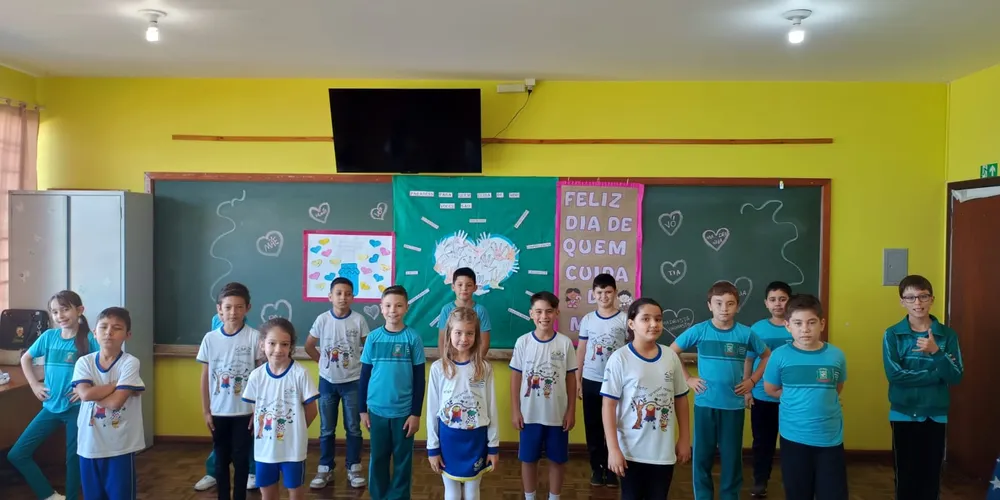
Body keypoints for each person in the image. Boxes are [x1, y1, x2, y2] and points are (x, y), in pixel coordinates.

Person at [670, 281, 770, 500]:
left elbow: (767, 356)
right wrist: (688, 379)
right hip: (705, 404)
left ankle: (729, 496)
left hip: (733, 406)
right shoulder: (700, 330)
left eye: (730, 303)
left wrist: (752, 381)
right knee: (702, 457)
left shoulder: (745, 334)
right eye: (719, 303)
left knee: (732, 458)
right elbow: (672, 352)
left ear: (738, 306)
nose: (724, 308)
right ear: (709, 305)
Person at [9, 291, 99, 500]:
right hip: (50, 407)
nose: (60, 316)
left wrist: (86, 388)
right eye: (55, 311)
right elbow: (26, 359)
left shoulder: (88, 339)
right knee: (18, 454)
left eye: (65, 309)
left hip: (77, 409)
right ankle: (49, 496)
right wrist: (34, 384)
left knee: (73, 461)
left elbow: (103, 366)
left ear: (79, 310)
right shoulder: (49, 337)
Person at [882, 275, 963, 500]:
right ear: (902, 302)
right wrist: (936, 375)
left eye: (922, 296)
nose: (917, 302)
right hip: (903, 412)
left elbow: (955, 377)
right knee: (906, 476)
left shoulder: (947, 335)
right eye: (910, 297)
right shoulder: (892, 334)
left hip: (935, 413)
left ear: (931, 299)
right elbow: (895, 375)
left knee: (930, 476)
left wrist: (936, 352)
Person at [602, 298, 691, 500]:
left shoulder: (670, 357)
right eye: (646, 319)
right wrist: (613, 448)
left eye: (658, 319)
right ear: (631, 324)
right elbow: (608, 405)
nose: (654, 324)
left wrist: (685, 438)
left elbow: (680, 400)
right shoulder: (620, 358)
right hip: (630, 452)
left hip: (663, 452)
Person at [763, 294, 848, 500]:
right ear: (787, 325)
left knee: (833, 493)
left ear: (822, 323)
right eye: (798, 323)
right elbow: (771, 389)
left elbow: (836, 388)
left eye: (811, 322)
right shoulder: (780, 356)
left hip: (830, 439)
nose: (805, 329)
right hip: (795, 438)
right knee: (798, 493)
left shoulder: (836, 355)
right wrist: (797, 397)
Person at [359, 285, 427, 500]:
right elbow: (364, 376)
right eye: (388, 305)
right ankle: (378, 496)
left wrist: (416, 414)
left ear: (407, 307)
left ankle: (398, 496)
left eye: (398, 305)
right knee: (378, 458)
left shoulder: (413, 338)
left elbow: (419, 379)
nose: (393, 310)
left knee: (402, 459)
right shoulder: (373, 338)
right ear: (381, 308)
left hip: (404, 413)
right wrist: (362, 410)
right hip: (377, 410)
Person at [70, 307, 145, 500]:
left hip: (119, 446)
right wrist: (114, 384)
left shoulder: (130, 363)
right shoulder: (84, 363)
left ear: (127, 335)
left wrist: (91, 392)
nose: (108, 332)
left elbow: (115, 403)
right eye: (103, 327)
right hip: (89, 445)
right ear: (94, 333)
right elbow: (85, 395)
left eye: (116, 328)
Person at [241, 318, 319, 500]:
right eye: (272, 343)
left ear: (291, 346)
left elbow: (311, 410)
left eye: (284, 344)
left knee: (295, 492)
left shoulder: (300, 374)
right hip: (264, 449)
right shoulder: (256, 376)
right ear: (262, 345)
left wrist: (296, 430)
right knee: (267, 493)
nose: (278, 349)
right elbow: (255, 407)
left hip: (293, 450)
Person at [510, 291, 577, 500]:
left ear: (557, 312)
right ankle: (530, 497)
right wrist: (515, 410)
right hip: (529, 415)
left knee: (557, 459)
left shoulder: (565, 343)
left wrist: (571, 411)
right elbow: (516, 378)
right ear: (531, 314)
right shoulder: (523, 342)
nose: (544, 316)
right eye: (539, 311)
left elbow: (571, 379)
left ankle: (554, 497)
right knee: (528, 459)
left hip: (557, 416)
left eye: (549, 311)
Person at [426, 307, 500, 500]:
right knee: (451, 490)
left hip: (476, 439)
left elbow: (491, 408)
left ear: (476, 335)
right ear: (449, 334)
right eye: (458, 333)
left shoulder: (484, 368)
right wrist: (433, 448)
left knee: (472, 489)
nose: (463, 338)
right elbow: (432, 410)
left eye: (469, 333)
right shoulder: (438, 368)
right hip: (448, 438)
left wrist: (493, 446)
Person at [197, 283, 261, 500]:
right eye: (228, 307)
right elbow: (205, 376)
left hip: (244, 413)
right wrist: (206, 410)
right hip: (218, 412)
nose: (233, 312)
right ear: (219, 310)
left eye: (239, 307)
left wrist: (257, 410)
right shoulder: (210, 339)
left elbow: (261, 378)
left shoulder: (254, 337)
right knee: (221, 460)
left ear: (248, 308)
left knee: (242, 460)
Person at [304, 277, 370, 489]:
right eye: (339, 293)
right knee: (326, 429)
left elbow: (368, 348)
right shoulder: (322, 319)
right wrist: (322, 362)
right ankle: (325, 469)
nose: (343, 297)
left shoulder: (358, 320)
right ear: (330, 296)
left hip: (353, 382)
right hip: (327, 383)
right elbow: (309, 346)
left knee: (353, 428)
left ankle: (353, 467)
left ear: (353, 297)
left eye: (348, 293)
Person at [575, 273, 627, 487]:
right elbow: (581, 350)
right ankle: (597, 469)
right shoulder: (588, 319)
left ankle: (614, 468)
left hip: (617, 381)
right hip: (591, 379)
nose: (604, 296)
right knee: (593, 426)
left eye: (608, 292)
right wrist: (578, 380)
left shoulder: (624, 319)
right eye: (599, 292)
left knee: (616, 425)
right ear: (593, 294)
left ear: (615, 293)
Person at [744, 281, 793, 497]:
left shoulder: (798, 325)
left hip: (791, 397)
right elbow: (749, 360)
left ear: (789, 301)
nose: (778, 304)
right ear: (766, 303)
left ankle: (793, 482)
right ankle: (760, 482)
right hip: (762, 396)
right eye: (773, 300)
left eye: (782, 299)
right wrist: (747, 389)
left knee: (792, 444)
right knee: (762, 443)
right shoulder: (757, 329)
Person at [438, 267, 493, 356]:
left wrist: (474, 363)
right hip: (451, 361)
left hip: (473, 362)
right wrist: (446, 361)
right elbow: (442, 340)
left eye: (469, 285)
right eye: (460, 285)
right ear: (453, 287)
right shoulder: (446, 310)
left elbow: (484, 343)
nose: (464, 288)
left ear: (475, 287)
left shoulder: (480, 311)